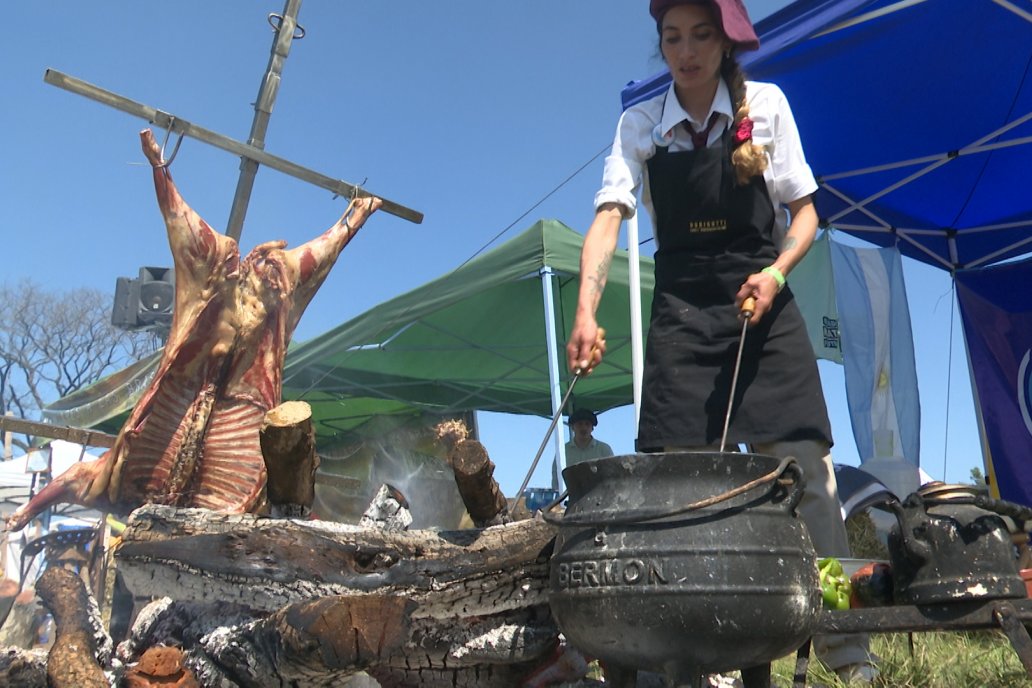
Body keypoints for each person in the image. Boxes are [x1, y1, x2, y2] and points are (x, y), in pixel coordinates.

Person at [565, 0, 878, 682]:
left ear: (724, 41)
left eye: (700, 34)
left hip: (763, 305)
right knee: (682, 493)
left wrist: (773, 272)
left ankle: (843, 638)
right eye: (672, 36)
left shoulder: (765, 104)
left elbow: (804, 214)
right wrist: (586, 311)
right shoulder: (640, 123)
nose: (686, 50)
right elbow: (608, 219)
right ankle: (712, 649)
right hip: (681, 311)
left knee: (809, 478)